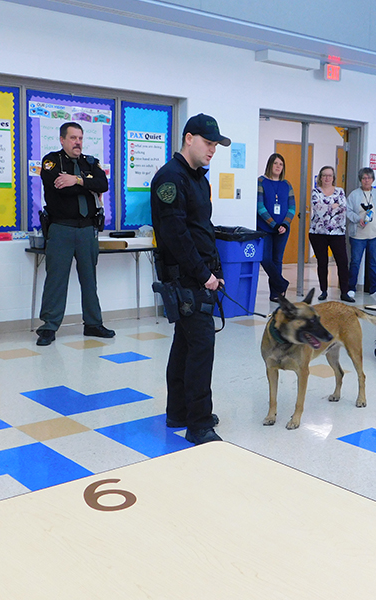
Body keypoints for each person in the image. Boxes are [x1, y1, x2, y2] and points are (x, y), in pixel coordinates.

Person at [150, 113, 229, 445]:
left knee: (184, 344)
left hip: (201, 273)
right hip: (185, 277)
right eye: (208, 143)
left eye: (216, 145)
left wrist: (216, 271)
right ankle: (197, 424)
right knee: (201, 346)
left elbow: (202, 230)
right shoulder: (170, 179)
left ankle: (178, 412)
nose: (213, 150)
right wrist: (203, 274)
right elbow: (175, 235)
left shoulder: (199, 178)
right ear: (189, 139)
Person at [35, 122, 113, 346]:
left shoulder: (89, 162)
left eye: (80, 138)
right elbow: (58, 187)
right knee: (56, 280)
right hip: (62, 228)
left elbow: (103, 184)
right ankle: (49, 327)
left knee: (90, 279)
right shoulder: (51, 161)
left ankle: (93, 323)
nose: (77, 142)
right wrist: (87, 185)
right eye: (72, 138)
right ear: (62, 139)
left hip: (87, 229)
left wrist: (77, 179)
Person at [310, 165, 352, 302]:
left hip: (337, 232)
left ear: (333, 178)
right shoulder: (315, 192)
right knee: (322, 262)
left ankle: (345, 292)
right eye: (324, 175)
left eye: (330, 175)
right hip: (318, 233)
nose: (327, 178)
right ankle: (323, 291)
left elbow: (343, 209)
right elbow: (318, 210)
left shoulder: (340, 191)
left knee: (342, 262)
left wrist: (327, 207)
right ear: (320, 177)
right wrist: (333, 207)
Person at [257, 153, 295, 302]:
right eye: (276, 163)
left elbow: (292, 207)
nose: (278, 166)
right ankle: (281, 283)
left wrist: (285, 224)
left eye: (281, 164)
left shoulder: (287, 184)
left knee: (277, 260)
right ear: (270, 165)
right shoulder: (261, 181)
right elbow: (259, 206)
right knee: (265, 258)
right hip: (264, 228)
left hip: (283, 229)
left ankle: (276, 294)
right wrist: (274, 224)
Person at [346, 167, 376, 299]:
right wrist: (358, 219)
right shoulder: (354, 195)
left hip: (375, 234)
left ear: (373, 179)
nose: (366, 180)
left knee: (373, 262)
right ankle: (351, 287)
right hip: (358, 234)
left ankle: (374, 288)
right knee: (355, 262)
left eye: (369, 178)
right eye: (364, 178)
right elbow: (348, 211)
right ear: (360, 180)